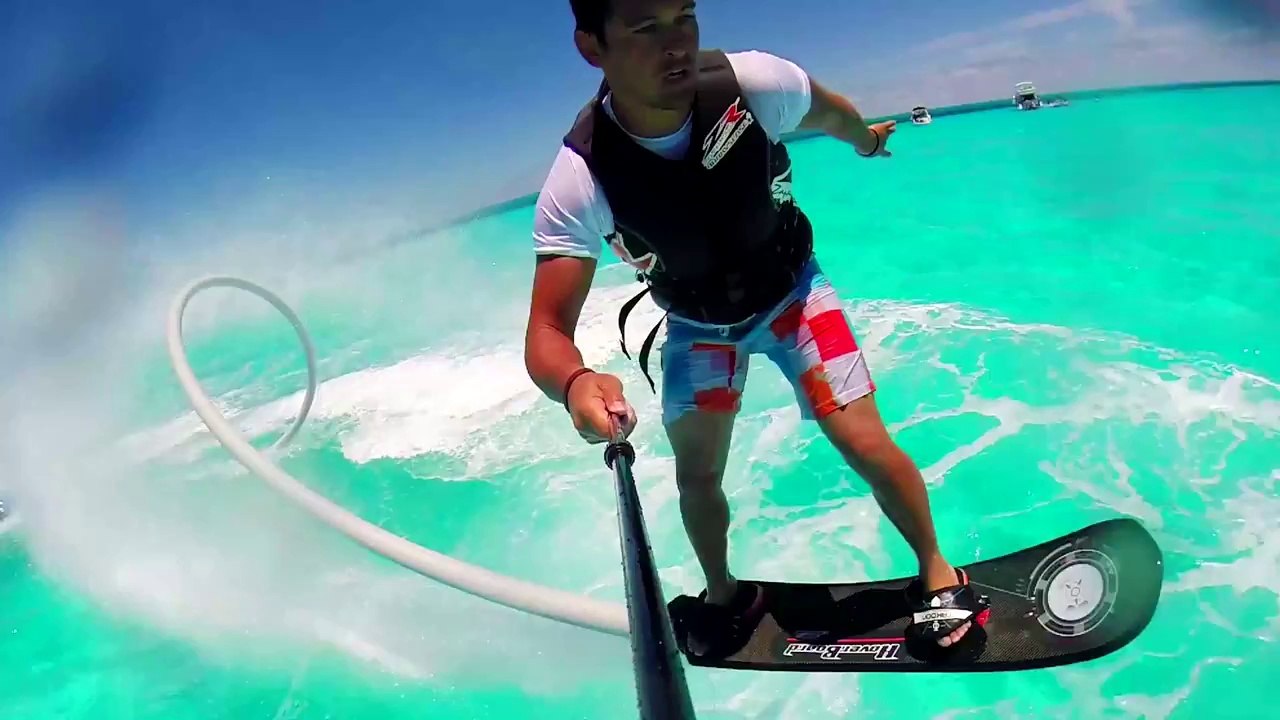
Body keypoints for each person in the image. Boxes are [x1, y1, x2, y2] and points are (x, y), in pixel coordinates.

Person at [523, 0, 984, 659]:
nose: (675, 42)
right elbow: (545, 330)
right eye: (645, 27)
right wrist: (574, 382)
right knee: (697, 475)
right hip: (698, 326)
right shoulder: (581, 176)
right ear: (591, 47)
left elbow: (834, 112)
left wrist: (868, 140)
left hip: (794, 294)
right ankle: (725, 593)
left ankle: (938, 572)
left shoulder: (754, 84)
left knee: (861, 439)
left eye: (683, 16)